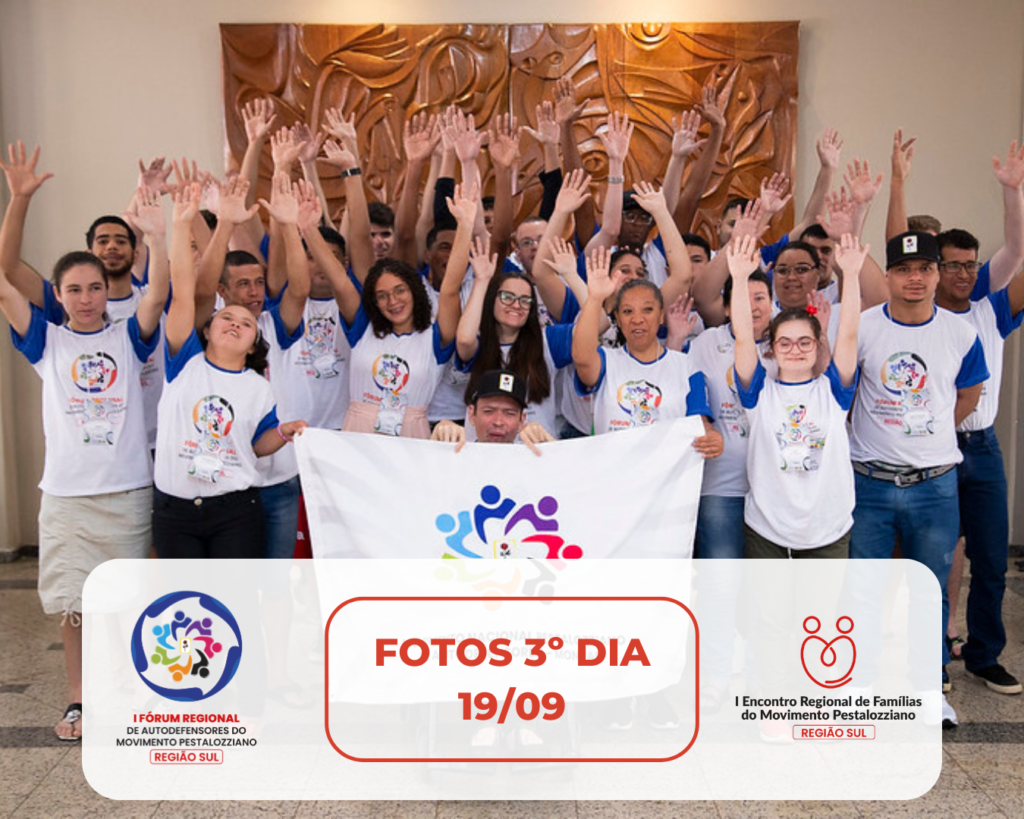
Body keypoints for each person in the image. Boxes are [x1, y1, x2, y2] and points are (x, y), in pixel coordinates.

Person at [0, 152, 168, 741]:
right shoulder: (46, 341)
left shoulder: (130, 335)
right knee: (75, 605)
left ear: (106, 289)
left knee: (123, 602)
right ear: (60, 294)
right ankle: (79, 700)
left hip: (126, 492)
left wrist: (158, 236)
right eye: (74, 289)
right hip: (66, 497)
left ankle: (129, 691)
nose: (86, 297)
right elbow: (3, 281)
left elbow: (158, 293)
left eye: (95, 287)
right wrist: (19, 197)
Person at [848, 230, 989, 728]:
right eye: (904, 270)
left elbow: (968, 393)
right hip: (870, 482)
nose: (915, 278)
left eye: (925, 269)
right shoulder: (863, 327)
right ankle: (859, 687)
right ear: (888, 275)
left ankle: (928, 691)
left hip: (934, 484)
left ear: (937, 274)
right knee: (861, 588)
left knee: (931, 591)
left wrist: (929, 435)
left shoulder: (960, 332)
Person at [153, 184, 307, 559]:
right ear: (206, 329)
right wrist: (181, 223)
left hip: (236, 503)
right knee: (186, 600)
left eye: (246, 323)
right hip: (177, 507)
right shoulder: (184, 361)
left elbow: (259, 444)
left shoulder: (258, 387)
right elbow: (186, 290)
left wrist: (283, 433)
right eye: (227, 317)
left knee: (239, 595)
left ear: (256, 342)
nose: (237, 322)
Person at [310, 139, 475, 437]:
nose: (393, 301)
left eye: (400, 291)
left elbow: (450, 289)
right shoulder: (363, 327)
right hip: (359, 435)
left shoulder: (435, 339)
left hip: (413, 437)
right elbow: (338, 276)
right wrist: (307, 228)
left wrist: (465, 226)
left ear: (415, 291)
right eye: (382, 295)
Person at [730, 233, 865, 557]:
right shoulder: (759, 395)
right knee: (768, 610)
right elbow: (743, 339)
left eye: (805, 341)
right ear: (773, 350)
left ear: (817, 344)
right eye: (785, 343)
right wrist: (738, 277)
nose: (795, 349)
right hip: (767, 530)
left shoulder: (833, 391)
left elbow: (848, 334)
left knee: (816, 610)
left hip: (827, 530)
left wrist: (852, 275)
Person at [936, 217, 1024, 694]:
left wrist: (1014, 193)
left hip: (983, 445)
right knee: (934, 558)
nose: (964, 275)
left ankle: (983, 655)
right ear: (935, 269)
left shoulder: (991, 311)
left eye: (970, 266)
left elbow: (1019, 255)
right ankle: (932, 659)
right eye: (953, 266)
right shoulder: (920, 314)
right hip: (937, 449)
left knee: (991, 558)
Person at [571, 247, 722, 456]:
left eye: (647, 309)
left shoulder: (686, 366)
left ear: (661, 316)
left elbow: (700, 423)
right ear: (618, 319)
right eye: (627, 311)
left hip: (665, 484)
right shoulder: (607, 361)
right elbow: (581, 358)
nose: (637, 319)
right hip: (613, 482)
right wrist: (595, 298)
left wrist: (712, 437)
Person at [456, 237, 574, 439]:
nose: (516, 305)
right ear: (492, 300)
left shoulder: (549, 341)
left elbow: (599, 325)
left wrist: (571, 275)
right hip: (481, 455)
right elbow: (464, 340)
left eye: (525, 300)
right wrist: (482, 280)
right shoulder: (479, 344)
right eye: (507, 297)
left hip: (535, 455)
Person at [430, 369, 556, 453]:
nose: (498, 422)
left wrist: (550, 449)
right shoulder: (455, 456)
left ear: (522, 420)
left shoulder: (533, 460)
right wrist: (437, 444)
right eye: (488, 411)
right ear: (471, 414)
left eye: (509, 413)